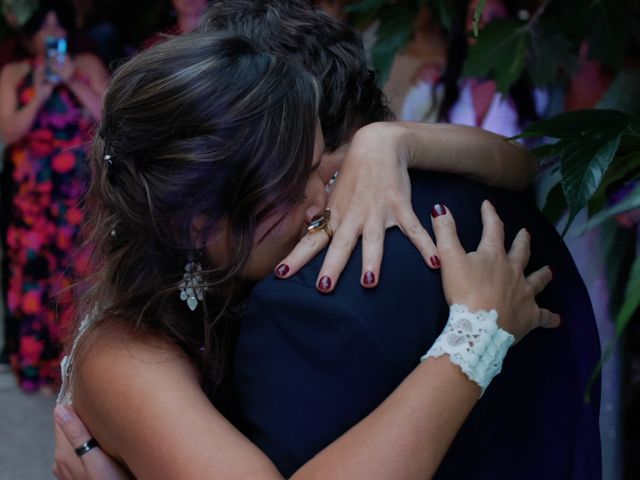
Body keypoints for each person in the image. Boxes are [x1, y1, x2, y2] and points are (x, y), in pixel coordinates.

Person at [51, 29, 559, 479]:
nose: (325, 199)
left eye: (322, 166)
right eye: (295, 192)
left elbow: (519, 164)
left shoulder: (282, 172)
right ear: (196, 224)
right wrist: (476, 336)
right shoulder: (121, 357)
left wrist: (389, 142)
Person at [0, 0, 107, 391]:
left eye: (57, 28)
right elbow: (10, 131)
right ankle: (32, 367)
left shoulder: (88, 67)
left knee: (79, 280)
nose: (52, 36)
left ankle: (73, 366)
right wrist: (44, 87)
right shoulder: (15, 73)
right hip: (32, 200)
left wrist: (72, 81)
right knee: (31, 281)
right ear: (30, 37)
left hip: (79, 195)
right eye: (43, 29)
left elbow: (108, 120)